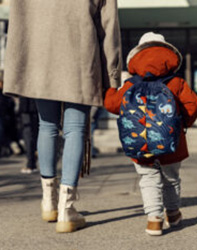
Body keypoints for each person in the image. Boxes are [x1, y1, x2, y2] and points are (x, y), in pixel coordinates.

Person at [3, 0, 122, 233]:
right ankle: (66, 209)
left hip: (39, 60)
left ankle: (49, 202)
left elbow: (17, 23)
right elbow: (109, 27)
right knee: (75, 129)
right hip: (80, 57)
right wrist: (113, 74)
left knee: (46, 125)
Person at [104, 32, 197, 236]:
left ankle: (153, 220)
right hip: (172, 140)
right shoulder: (176, 83)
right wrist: (183, 124)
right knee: (171, 178)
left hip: (140, 143)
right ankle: (173, 214)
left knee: (148, 178)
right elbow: (193, 106)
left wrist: (111, 90)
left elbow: (112, 105)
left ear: (136, 57)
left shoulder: (131, 85)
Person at [19, 97, 39, 174]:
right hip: (38, 101)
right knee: (36, 131)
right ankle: (32, 160)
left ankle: (31, 162)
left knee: (28, 132)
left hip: (27, 103)